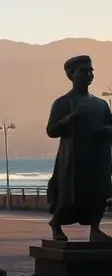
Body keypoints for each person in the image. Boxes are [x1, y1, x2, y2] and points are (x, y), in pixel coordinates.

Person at [45, 55, 112, 242]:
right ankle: (56, 223)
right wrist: (71, 117)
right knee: (68, 194)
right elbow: (51, 130)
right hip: (73, 158)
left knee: (98, 193)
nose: (89, 74)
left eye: (91, 70)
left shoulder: (100, 104)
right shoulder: (62, 102)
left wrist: (106, 130)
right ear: (71, 75)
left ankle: (95, 229)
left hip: (97, 157)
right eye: (84, 70)